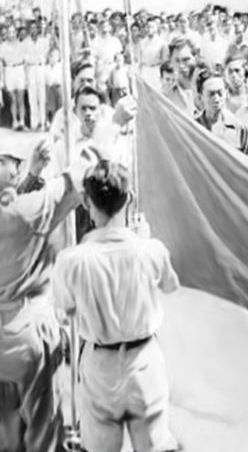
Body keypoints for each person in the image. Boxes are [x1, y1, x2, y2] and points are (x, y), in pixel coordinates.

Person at [52, 160, 180, 452]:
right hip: (144, 364)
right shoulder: (150, 250)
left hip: (99, 368)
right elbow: (171, 286)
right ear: (130, 199)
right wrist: (143, 239)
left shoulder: (71, 261)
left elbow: (65, 310)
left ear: (86, 202)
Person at [0, 137, 99, 452]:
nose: (14, 165)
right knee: (44, 432)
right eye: (5, 161)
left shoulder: (19, 212)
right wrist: (113, 126)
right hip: (28, 334)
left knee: (7, 434)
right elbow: (72, 183)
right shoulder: (22, 215)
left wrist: (31, 175)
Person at [194, 68, 248, 155]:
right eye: (211, 94)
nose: (216, 99)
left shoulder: (239, 128)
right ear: (200, 96)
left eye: (220, 93)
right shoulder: (193, 128)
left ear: (226, 93)